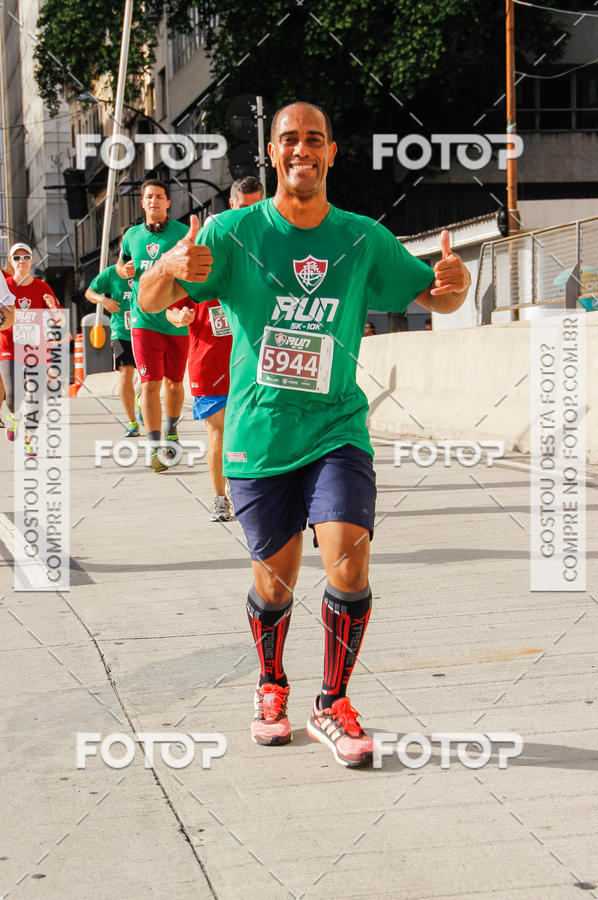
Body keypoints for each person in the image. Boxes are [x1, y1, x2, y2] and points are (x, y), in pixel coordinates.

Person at [138, 102, 470, 767]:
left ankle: (333, 701)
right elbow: (147, 302)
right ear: (272, 151)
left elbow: (435, 296)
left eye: (314, 139)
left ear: (331, 153)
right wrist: (170, 265)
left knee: (349, 555)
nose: (301, 149)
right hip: (259, 438)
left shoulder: (361, 237)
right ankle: (270, 683)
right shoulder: (232, 234)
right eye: (289, 139)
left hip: (336, 426)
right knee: (277, 585)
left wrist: (458, 285)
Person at [188, 176, 264, 522]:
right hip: (211, 362)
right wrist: (179, 314)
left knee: (254, 428)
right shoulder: (212, 241)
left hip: (256, 361)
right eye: (244, 207)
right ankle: (220, 497)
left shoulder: (271, 244)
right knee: (219, 429)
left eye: (257, 206)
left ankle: (249, 485)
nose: (251, 214)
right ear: (232, 205)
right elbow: (175, 296)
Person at [116, 178, 194, 472]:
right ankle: (153, 447)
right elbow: (121, 265)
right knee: (150, 384)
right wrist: (125, 270)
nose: (154, 201)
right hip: (143, 321)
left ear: (168, 202)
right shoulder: (132, 236)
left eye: (159, 197)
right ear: (143, 202)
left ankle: (172, 431)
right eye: (149, 197)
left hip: (176, 320)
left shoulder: (182, 233)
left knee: (174, 385)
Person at [0, 243, 58, 446]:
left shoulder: (42, 286)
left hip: (35, 348)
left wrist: (52, 307)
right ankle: (14, 418)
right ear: (11, 261)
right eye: (16, 258)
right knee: (13, 396)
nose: (21, 262)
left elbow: (58, 317)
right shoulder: (4, 285)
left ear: (32, 260)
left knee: (35, 396)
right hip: (9, 347)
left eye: (25, 257)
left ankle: (29, 439)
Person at [86, 232, 139, 437]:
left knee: (148, 378)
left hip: (146, 328)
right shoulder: (111, 273)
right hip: (121, 330)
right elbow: (89, 292)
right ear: (121, 248)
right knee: (126, 373)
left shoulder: (147, 268)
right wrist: (103, 300)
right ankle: (132, 421)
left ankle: (142, 402)